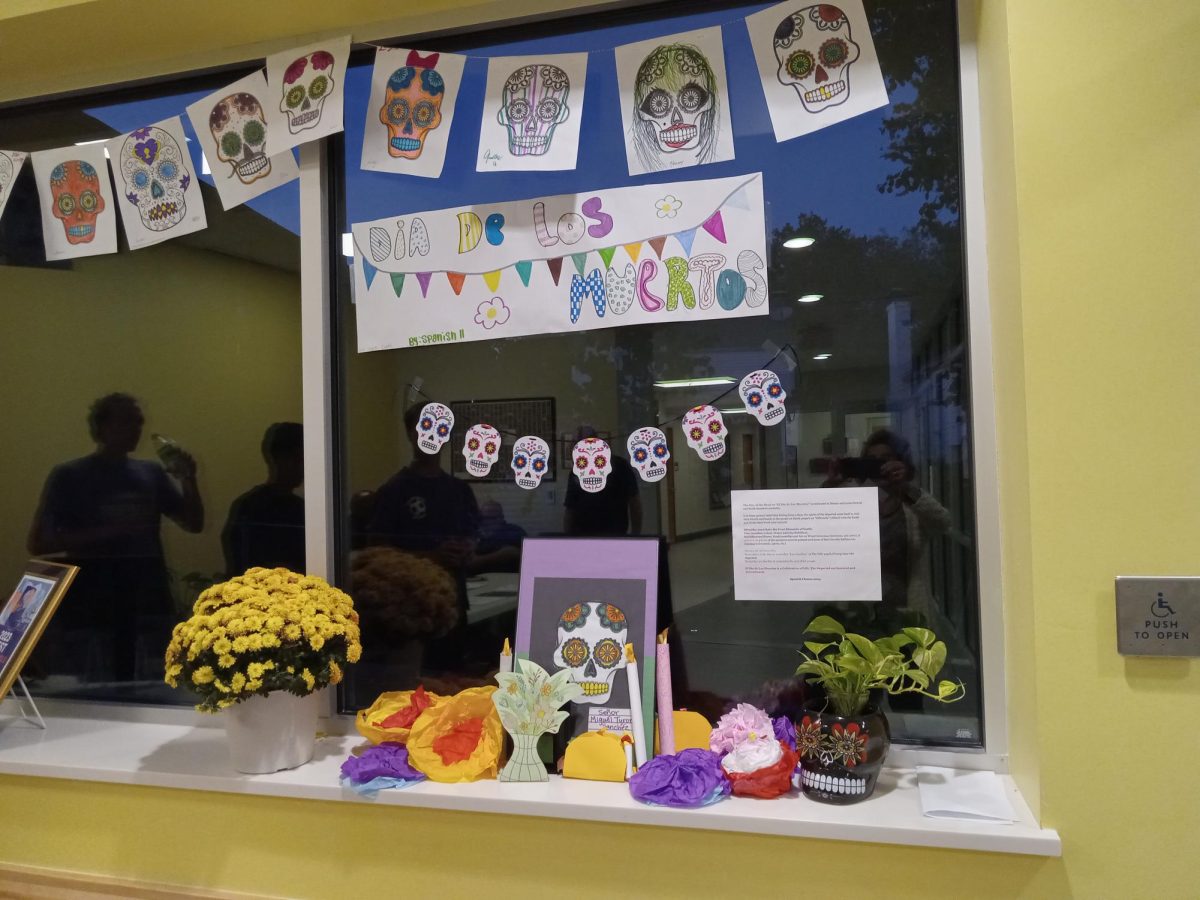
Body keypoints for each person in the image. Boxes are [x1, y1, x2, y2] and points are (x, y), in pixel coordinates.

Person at [27, 393, 203, 683]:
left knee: (147, 679)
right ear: (102, 427)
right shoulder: (70, 476)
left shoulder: (151, 473)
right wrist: (113, 531)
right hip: (93, 593)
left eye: (138, 422)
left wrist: (189, 479)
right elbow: (38, 543)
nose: (135, 429)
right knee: (93, 681)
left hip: (145, 589)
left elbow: (193, 523)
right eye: (126, 422)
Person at [367, 403, 480, 668]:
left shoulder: (460, 491)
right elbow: (376, 554)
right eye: (425, 427)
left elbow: (474, 541)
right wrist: (431, 557)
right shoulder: (394, 491)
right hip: (410, 614)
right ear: (410, 432)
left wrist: (467, 551)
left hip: (452, 605)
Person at [823, 428, 952, 616]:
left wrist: (905, 488)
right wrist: (831, 485)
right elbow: (820, 527)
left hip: (906, 610)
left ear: (900, 461)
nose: (880, 464)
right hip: (859, 611)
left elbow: (943, 522)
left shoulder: (912, 502)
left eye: (886, 458)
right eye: (872, 459)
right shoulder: (854, 499)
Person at [221, 422, 306, 576]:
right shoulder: (252, 508)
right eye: (298, 459)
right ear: (279, 459)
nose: (303, 467)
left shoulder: (301, 508)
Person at [563, 425, 642, 536]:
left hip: (613, 536)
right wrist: (568, 540)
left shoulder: (620, 466)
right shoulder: (576, 472)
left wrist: (636, 536)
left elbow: (634, 502)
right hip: (583, 537)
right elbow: (570, 509)